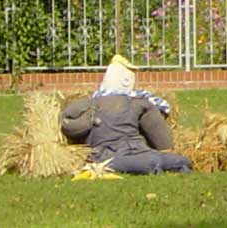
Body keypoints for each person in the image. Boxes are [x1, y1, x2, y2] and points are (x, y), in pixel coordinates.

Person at [61, 54, 192, 174]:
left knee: (152, 161)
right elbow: (163, 141)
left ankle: (154, 165)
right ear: (127, 81)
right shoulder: (140, 103)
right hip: (120, 152)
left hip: (113, 153)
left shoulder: (90, 103)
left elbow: (67, 120)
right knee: (161, 161)